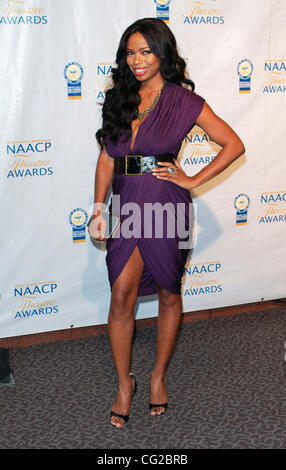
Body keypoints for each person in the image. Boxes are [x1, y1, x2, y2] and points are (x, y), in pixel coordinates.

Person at [89, 18, 245, 429]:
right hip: (126, 206)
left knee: (168, 292)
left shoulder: (183, 101)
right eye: (130, 52)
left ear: (163, 54)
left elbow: (234, 144)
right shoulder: (118, 98)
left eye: (145, 51)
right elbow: (108, 157)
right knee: (121, 293)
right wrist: (98, 207)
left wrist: (192, 179)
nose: (137, 60)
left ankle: (157, 377)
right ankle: (125, 384)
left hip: (166, 205)